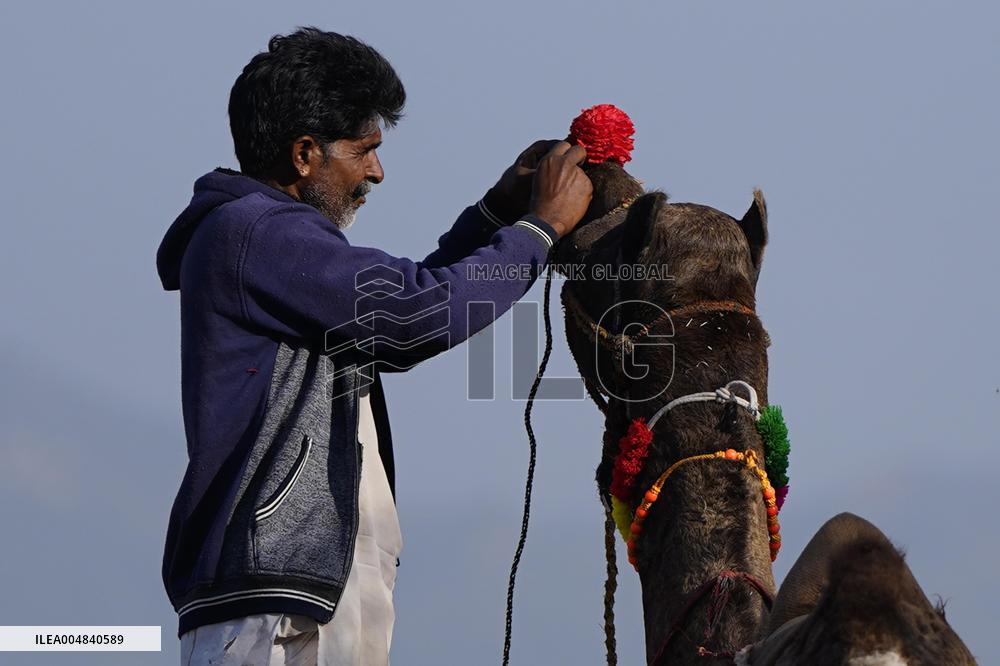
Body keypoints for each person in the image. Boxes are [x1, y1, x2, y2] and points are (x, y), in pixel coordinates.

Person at [155, 27, 592, 665]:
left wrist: (498, 216)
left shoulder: (263, 240)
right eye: (364, 151)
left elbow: (403, 305)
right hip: (272, 605)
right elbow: (413, 315)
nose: (377, 172)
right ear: (305, 153)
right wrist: (539, 229)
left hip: (308, 589)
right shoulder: (254, 232)